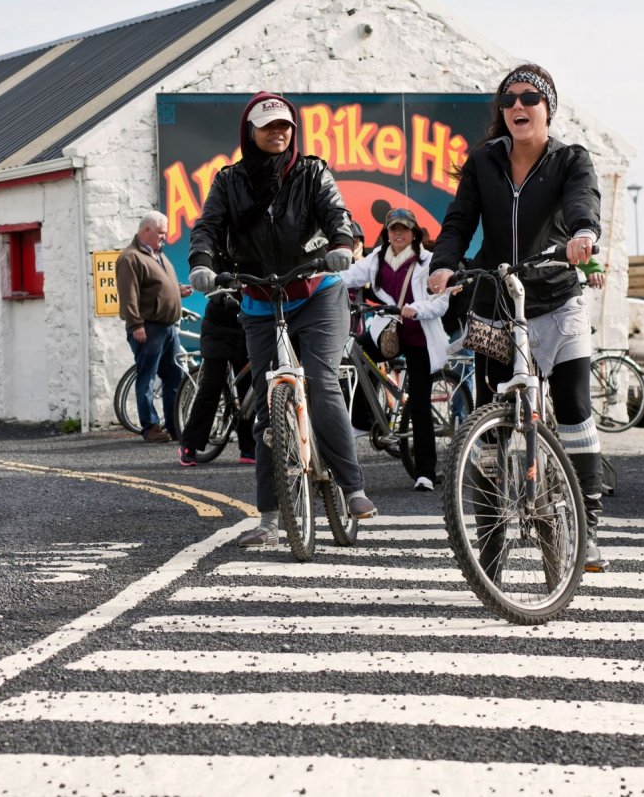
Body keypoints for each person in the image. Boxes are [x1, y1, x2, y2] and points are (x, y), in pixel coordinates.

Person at [426, 63, 610, 572]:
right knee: (491, 421)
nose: (518, 107)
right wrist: (444, 263)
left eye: (530, 98)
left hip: (556, 296)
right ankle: (487, 538)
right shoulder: (484, 161)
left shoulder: (571, 159)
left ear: (548, 107)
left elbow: (582, 203)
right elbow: (460, 220)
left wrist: (583, 237)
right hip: (498, 300)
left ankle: (588, 530)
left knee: (573, 406)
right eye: (508, 100)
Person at [188, 91, 378, 546]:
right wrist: (201, 262)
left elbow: (338, 214)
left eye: (285, 126)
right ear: (249, 132)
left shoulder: (311, 171)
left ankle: (352, 487)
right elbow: (209, 227)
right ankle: (270, 519)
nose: (278, 132)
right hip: (259, 298)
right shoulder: (229, 181)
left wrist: (341, 245)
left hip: (317, 291)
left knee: (320, 379)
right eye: (268, 125)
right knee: (266, 405)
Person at [341, 208, 455, 491]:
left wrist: (416, 309)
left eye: (404, 229)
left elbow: (441, 303)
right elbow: (348, 276)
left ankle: (425, 472)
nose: (399, 234)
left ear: (415, 232)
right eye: (394, 229)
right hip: (389, 332)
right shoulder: (377, 258)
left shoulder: (428, 261)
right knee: (356, 354)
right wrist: (318, 282)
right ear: (386, 233)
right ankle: (365, 419)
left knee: (419, 404)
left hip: (420, 338)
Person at [116, 211, 192, 443]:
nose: (164, 237)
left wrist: (177, 290)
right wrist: (136, 324)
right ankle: (150, 427)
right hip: (149, 327)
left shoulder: (157, 255)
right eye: (160, 233)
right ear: (145, 230)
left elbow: (158, 286)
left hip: (167, 327)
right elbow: (128, 295)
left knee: (174, 377)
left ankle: (174, 424)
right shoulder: (130, 258)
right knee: (147, 377)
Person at [177, 279, 255, 467]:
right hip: (218, 329)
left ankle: (248, 447)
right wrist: (223, 295)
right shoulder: (219, 252)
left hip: (247, 327)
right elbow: (208, 280)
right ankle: (189, 446)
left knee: (250, 391)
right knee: (211, 386)